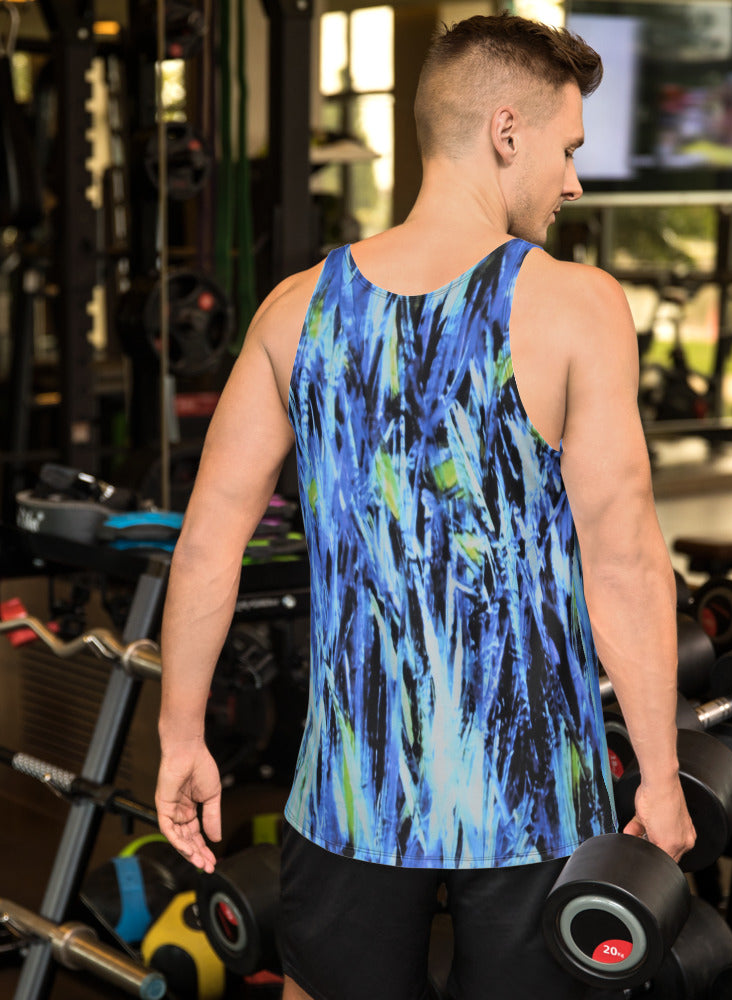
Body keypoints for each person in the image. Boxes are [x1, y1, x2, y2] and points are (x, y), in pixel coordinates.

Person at [155, 12, 696, 1000]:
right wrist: (658, 779)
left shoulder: (293, 309)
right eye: (568, 149)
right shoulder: (578, 306)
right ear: (506, 132)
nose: (572, 182)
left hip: (351, 793)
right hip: (533, 800)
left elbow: (206, 546)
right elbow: (622, 564)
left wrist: (181, 736)